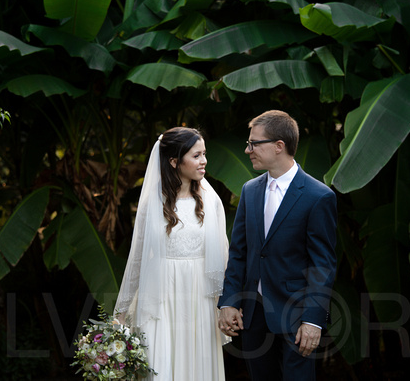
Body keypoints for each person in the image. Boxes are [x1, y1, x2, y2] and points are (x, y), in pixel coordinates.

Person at [218, 110, 337, 381]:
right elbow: (239, 252)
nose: (248, 150)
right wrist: (229, 301)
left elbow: (323, 264)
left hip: (297, 316)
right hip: (253, 315)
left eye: (254, 143)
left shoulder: (319, 196)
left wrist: (313, 320)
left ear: (279, 146)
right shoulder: (250, 190)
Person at [115, 127, 229, 381]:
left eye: (204, 154)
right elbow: (137, 258)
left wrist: (228, 303)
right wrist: (121, 313)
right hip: (159, 297)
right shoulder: (151, 203)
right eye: (196, 156)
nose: (204, 161)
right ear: (174, 161)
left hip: (200, 297)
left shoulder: (212, 201)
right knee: (160, 365)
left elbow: (224, 256)